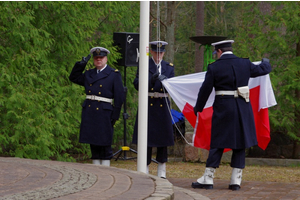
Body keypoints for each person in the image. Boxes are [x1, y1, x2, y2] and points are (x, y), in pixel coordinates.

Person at [192, 40, 272, 190]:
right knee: (240, 142)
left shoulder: (214, 67)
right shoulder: (245, 64)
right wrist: (265, 62)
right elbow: (263, 69)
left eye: (216, 53)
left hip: (224, 107)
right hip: (242, 107)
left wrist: (198, 107)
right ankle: (236, 180)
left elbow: (205, 90)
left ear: (220, 51)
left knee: (218, 142)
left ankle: (208, 178)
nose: (215, 56)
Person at [69, 47, 124, 167]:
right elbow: (73, 77)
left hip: (105, 112)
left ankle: (105, 170)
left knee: (104, 145)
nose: (99, 60)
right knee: (93, 143)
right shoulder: (89, 73)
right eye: (96, 58)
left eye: (101, 58)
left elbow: (119, 97)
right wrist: (80, 65)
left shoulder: (113, 74)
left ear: (106, 59)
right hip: (90, 111)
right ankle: (95, 170)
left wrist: (115, 115)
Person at [132, 41, 175, 179]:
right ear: (151, 52)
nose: (158, 55)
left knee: (163, 139)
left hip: (163, 104)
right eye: (156, 52)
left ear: (164, 53)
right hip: (148, 104)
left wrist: (166, 81)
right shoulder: (144, 65)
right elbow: (137, 84)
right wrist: (151, 80)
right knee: (147, 138)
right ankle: (144, 168)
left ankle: (162, 170)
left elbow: (173, 87)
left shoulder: (168, 67)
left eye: (161, 52)